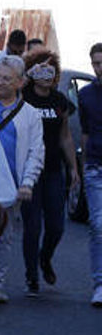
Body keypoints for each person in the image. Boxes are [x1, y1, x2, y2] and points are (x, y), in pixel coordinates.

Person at [0, 56, 43, 308]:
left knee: (4, 235)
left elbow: (36, 151)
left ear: (20, 83)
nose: (0, 83)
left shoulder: (31, 115)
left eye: (6, 79)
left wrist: (28, 182)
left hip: (13, 186)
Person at [20, 47, 78, 297]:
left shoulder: (60, 101)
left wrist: (74, 168)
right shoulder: (22, 97)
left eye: (50, 69)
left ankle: (45, 258)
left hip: (54, 170)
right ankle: (32, 276)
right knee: (32, 226)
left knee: (56, 226)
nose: (45, 74)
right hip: (29, 172)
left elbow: (65, 136)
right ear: (31, 72)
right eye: (40, 69)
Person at [77, 43, 102, 306]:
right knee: (98, 227)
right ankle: (100, 283)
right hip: (96, 166)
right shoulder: (85, 96)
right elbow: (84, 132)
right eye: (96, 63)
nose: (99, 67)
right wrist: (83, 167)